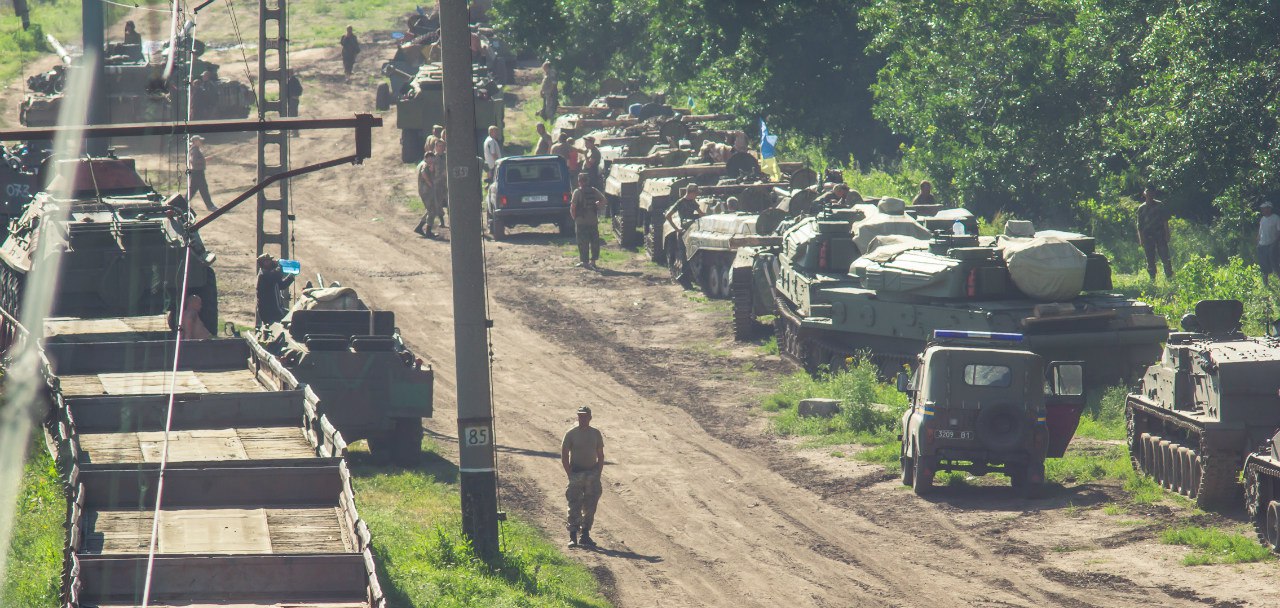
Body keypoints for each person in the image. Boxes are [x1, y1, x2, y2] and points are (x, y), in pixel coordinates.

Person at [561, 405, 605, 548]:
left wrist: (598, 472)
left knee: (590, 505)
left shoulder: (595, 434)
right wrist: (570, 474)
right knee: (574, 504)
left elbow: (600, 455)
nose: (582, 418)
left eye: (585, 416)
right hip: (576, 473)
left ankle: (585, 534)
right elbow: (564, 455)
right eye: (580, 416)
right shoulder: (571, 434)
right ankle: (573, 536)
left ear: (590, 418)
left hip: (592, 474)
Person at [1136, 186, 1174, 281]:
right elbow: (1139, 226)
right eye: (1147, 194)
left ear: (1154, 194)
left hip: (1160, 234)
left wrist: (1167, 234)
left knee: (1165, 256)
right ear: (1144, 194)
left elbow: (1165, 221)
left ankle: (1169, 277)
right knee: (1150, 258)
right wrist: (1141, 239)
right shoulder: (1141, 208)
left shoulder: (1159, 205)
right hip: (1147, 236)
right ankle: (1152, 279)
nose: (1149, 196)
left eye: (1151, 193)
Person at [570, 173, 607, 269]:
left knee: (582, 242)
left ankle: (584, 261)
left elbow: (573, 207)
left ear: (579, 181)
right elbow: (603, 200)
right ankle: (593, 261)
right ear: (587, 181)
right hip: (593, 220)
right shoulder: (594, 190)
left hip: (581, 220)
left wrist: (574, 218)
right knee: (594, 242)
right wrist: (597, 205)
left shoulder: (577, 192)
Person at [414, 142, 448, 236]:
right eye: (429, 158)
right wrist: (431, 184)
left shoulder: (431, 163)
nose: (431, 159)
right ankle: (427, 231)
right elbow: (425, 174)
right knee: (432, 210)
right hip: (428, 191)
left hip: (431, 190)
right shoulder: (426, 165)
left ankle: (420, 227)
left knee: (432, 209)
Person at [256, 253, 295, 326]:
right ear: (263, 263)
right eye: (268, 261)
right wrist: (280, 266)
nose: (272, 262)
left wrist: (291, 276)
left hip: (277, 311)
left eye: (271, 260)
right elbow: (276, 275)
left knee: (292, 316)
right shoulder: (263, 275)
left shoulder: (271, 274)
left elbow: (282, 285)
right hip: (270, 313)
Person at [187, 136, 215, 211]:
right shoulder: (194, 150)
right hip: (197, 173)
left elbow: (195, 160)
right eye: (199, 141)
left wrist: (205, 159)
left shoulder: (194, 149)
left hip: (196, 172)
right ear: (195, 141)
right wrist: (205, 160)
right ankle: (210, 206)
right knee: (203, 189)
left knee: (192, 191)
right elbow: (194, 161)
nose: (201, 142)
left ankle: (182, 205)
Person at [1258, 202, 1280, 287]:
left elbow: (1279, 231)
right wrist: (1258, 242)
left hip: (1272, 244)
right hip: (1262, 245)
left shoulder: (1276, 218)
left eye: (1265, 208)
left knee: (1275, 264)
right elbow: (1260, 232)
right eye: (1262, 208)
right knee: (1263, 265)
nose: (1263, 210)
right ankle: (1265, 285)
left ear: (1269, 208)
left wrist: (1275, 243)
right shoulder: (1262, 219)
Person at [286, 71, 303, 136]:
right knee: (290, 115)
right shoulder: (289, 80)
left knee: (293, 116)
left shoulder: (294, 80)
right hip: (290, 100)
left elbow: (300, 90)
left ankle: (295, 132)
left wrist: (295, 95)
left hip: (293, 100)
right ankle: (292, 131)